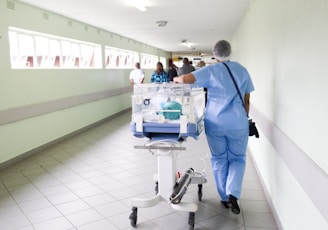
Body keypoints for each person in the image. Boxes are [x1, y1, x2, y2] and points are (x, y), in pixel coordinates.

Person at [174, 40, 254, 215]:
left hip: (215, 123)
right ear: (230, 52)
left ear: (215, 54)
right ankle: (233, 192)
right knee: (238, 159)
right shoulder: (242, 70)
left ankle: (224, 198)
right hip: (238, 124)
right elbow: (247, 100)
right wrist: (243, 117)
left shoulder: (210, 70)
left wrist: (176, 78)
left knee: (219, 159)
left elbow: (185, 80)